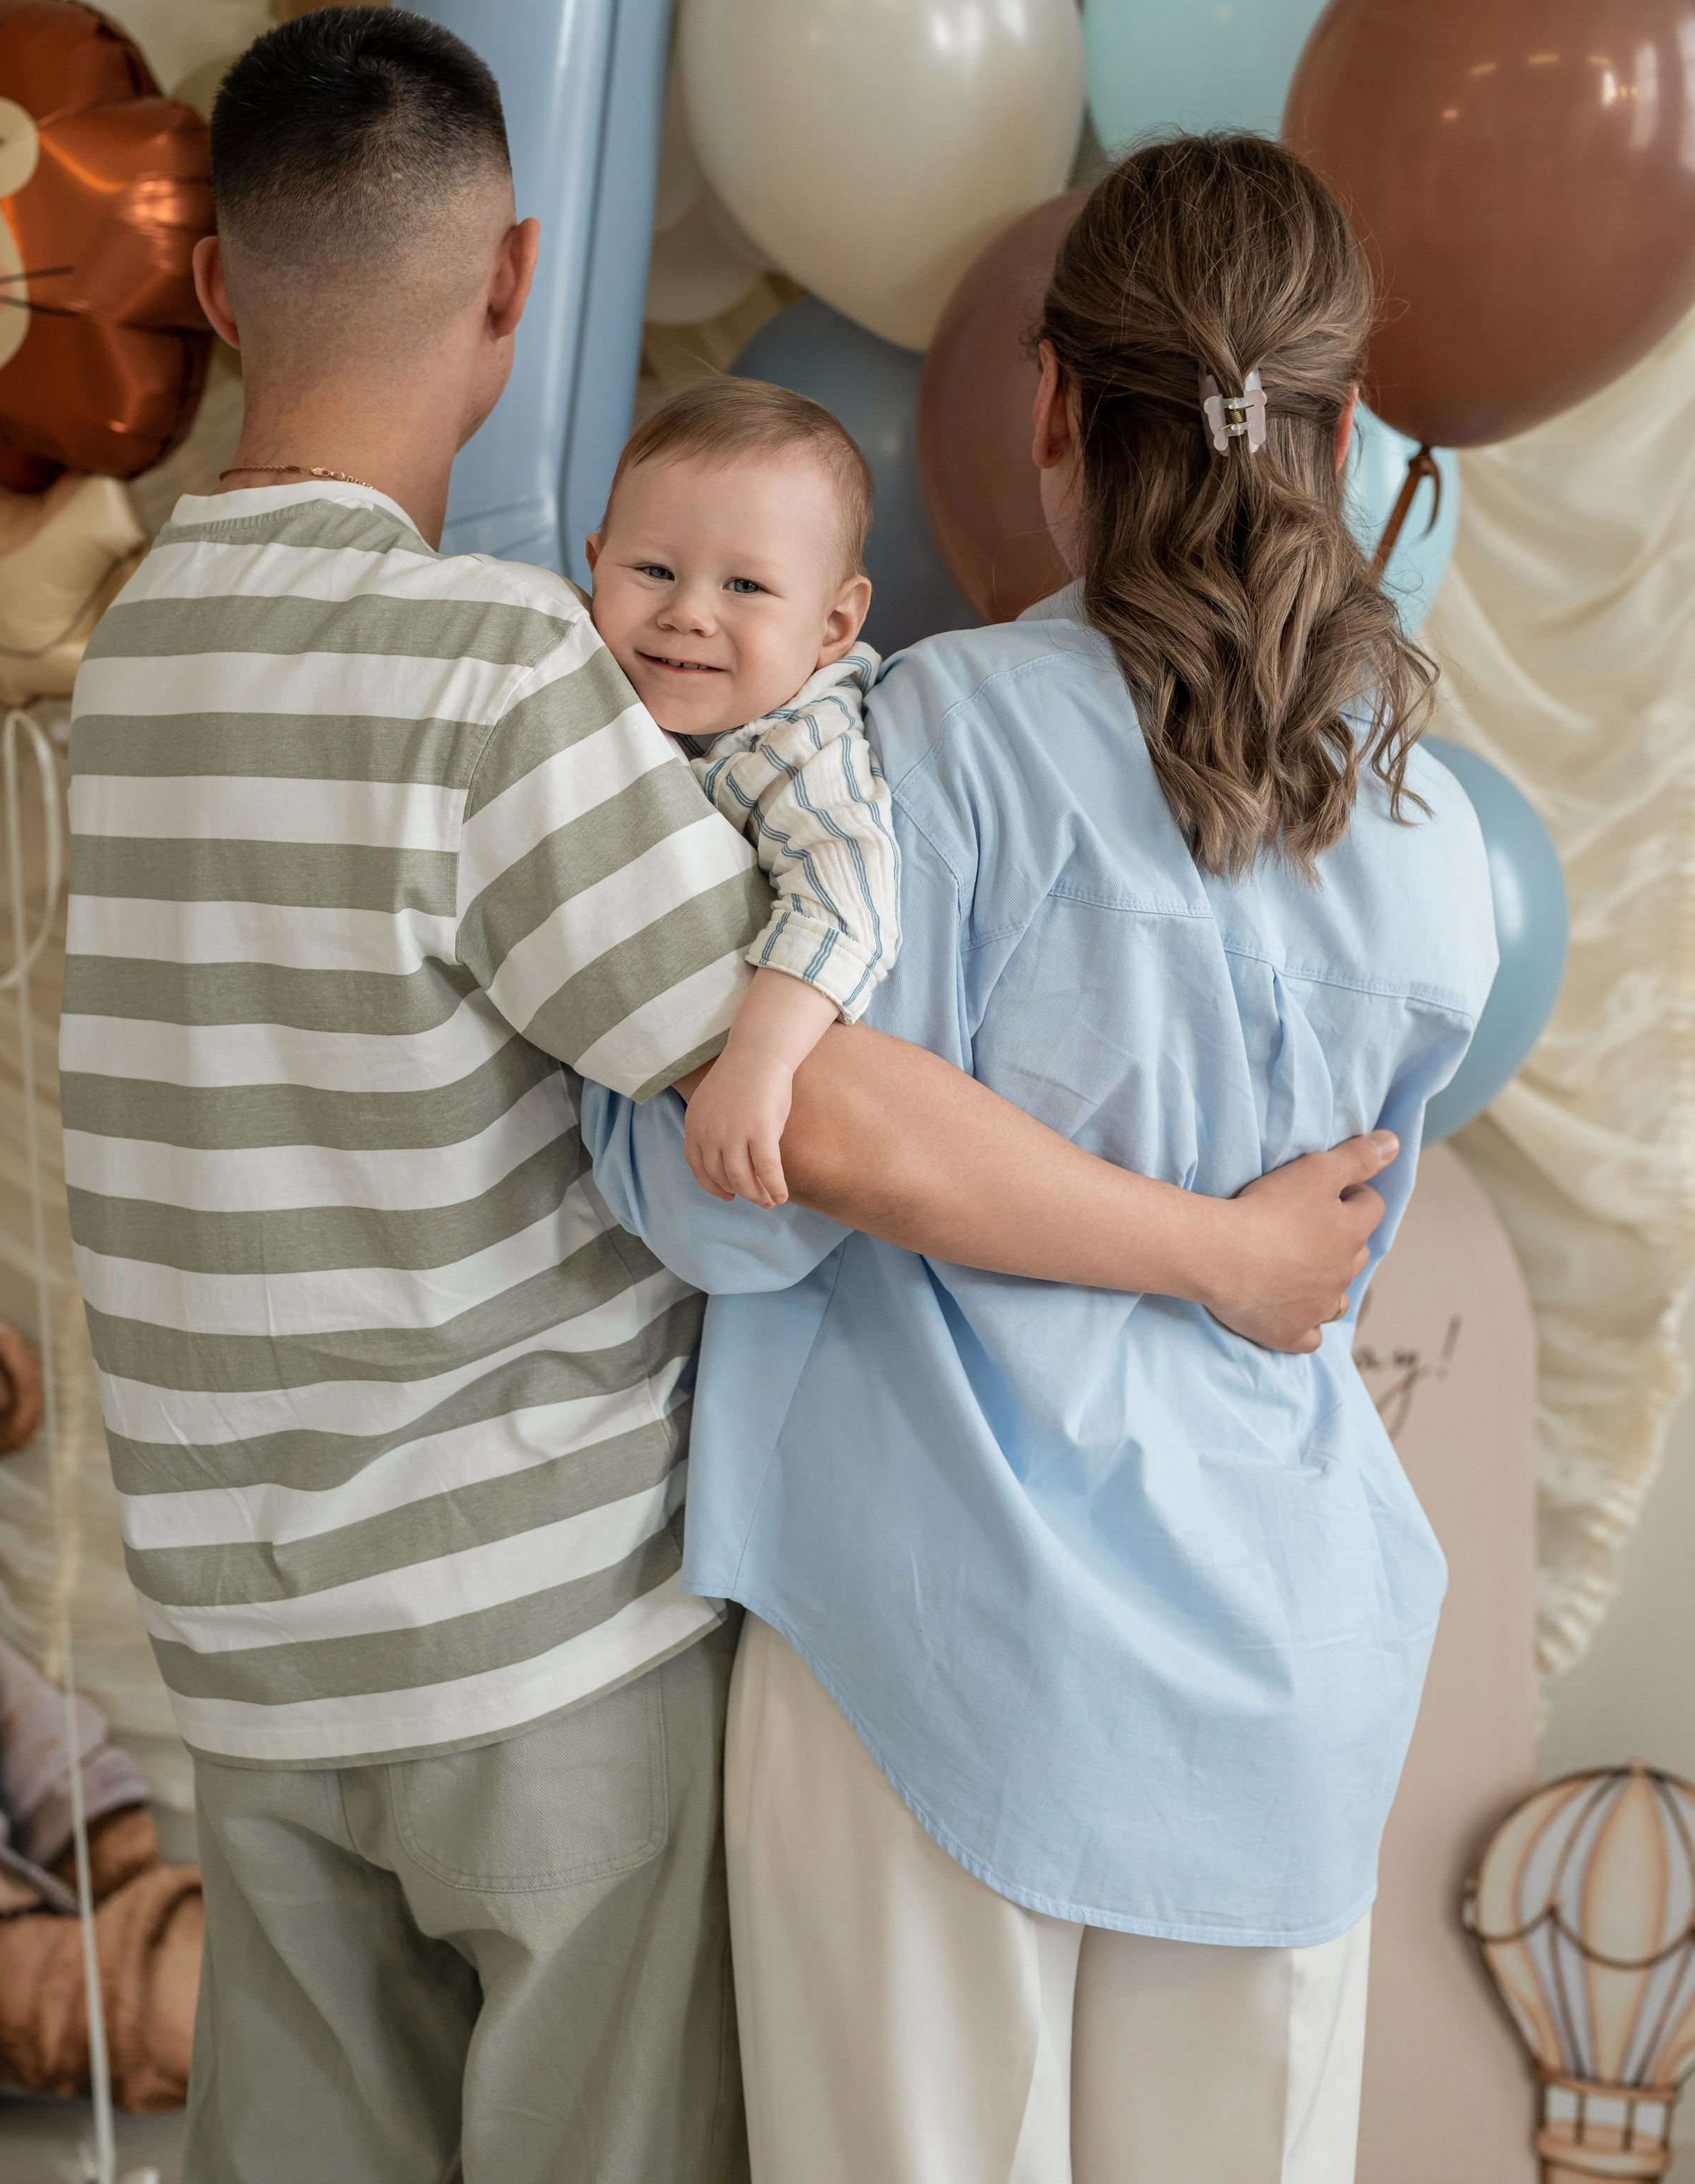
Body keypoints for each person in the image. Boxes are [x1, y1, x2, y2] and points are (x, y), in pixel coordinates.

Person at [60, 12, 1395, 2184]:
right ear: (512, 279)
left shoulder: (130, 657)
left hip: (249, 1655)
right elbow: (815, 1106)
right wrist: (1221, 1252)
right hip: (528, 1656)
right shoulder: (491, 674)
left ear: (211, 288)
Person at [584, 134, 1499, 2184]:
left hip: (926, 1657)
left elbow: (739, 1214)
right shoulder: (1437, 856)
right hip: (1275, 1670)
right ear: (1341, 435)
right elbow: (1307, 1273)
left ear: (1051, 409)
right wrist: (1205, 1253)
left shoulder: (919, 736)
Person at [587, 375, 895, 1210]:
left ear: (833, 626)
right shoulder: (586, 674)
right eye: (652, 570)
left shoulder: (797, 741)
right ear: (592, 565)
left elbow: (847, 893)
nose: (687, 613)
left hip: (775, 1117)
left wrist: (756, 1064)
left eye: (745, 587)